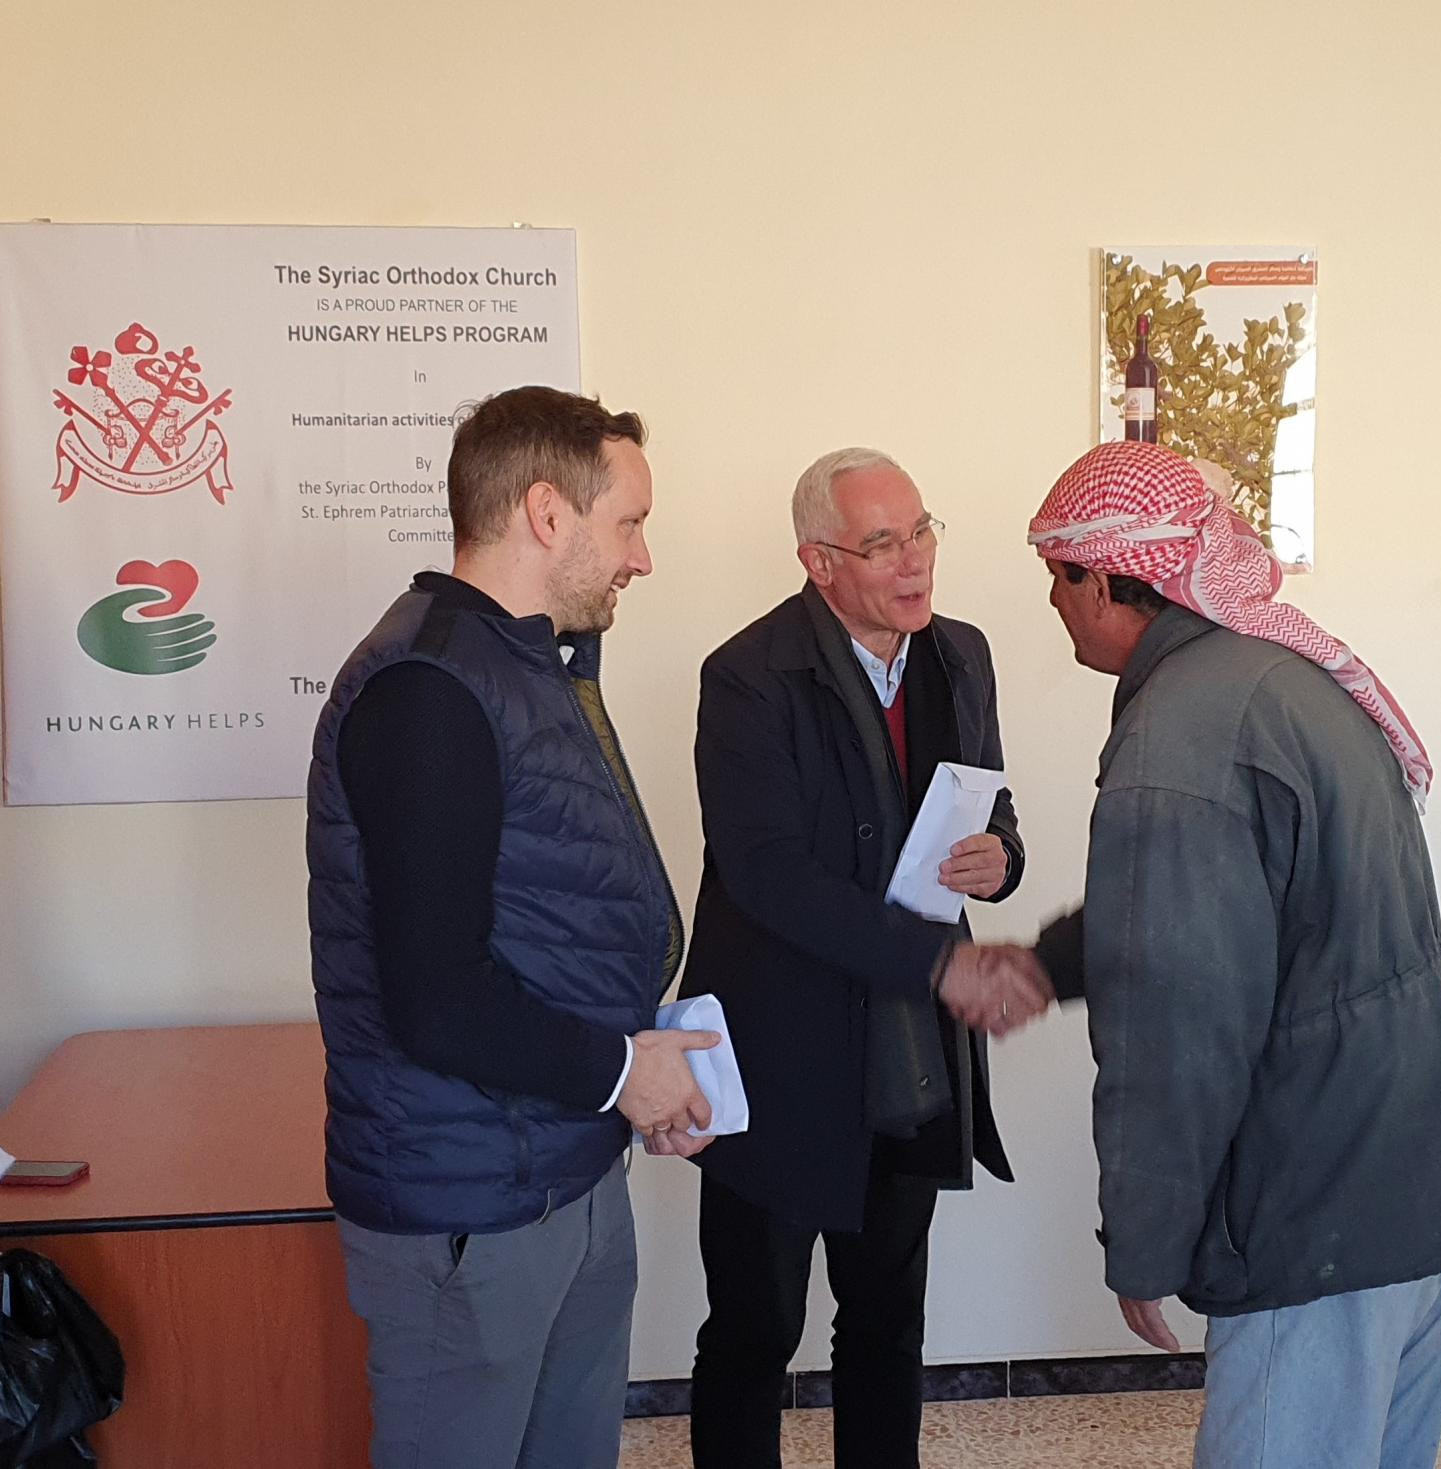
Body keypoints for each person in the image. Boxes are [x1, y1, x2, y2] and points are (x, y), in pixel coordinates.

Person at [1026, 440, 1441, 1469]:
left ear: (1109, 580)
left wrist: (1143, 1242)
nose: (1052, 603)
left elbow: (1176, 1028)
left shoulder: (1178, 738)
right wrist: (1045, 964)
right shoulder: (1280, 676)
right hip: (1435, 1152)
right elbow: (1257, 900)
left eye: (1057, 577)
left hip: (1326, 1204)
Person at [305, 385, 718, 1469]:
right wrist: (621, 1070)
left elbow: (551, 921)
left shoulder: (523, 663)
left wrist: (639, 1069)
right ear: (546, 511)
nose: (641, 559)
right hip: (470, 1206)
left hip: (565, 1166)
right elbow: (435, 995)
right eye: (628, 523)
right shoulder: (427, 687)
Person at [679, 446, 1050, 1469]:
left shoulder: (960, 654)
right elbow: (768, 876)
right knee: (754, 1327)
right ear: (819, 561)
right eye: (882, 543)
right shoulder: (745, 676)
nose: (915, 559)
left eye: (921, 530)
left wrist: (1002, 856)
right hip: (781, 1048)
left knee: (886, 1320)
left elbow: (989, 800)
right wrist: (936, 964)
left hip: (907, 1049)